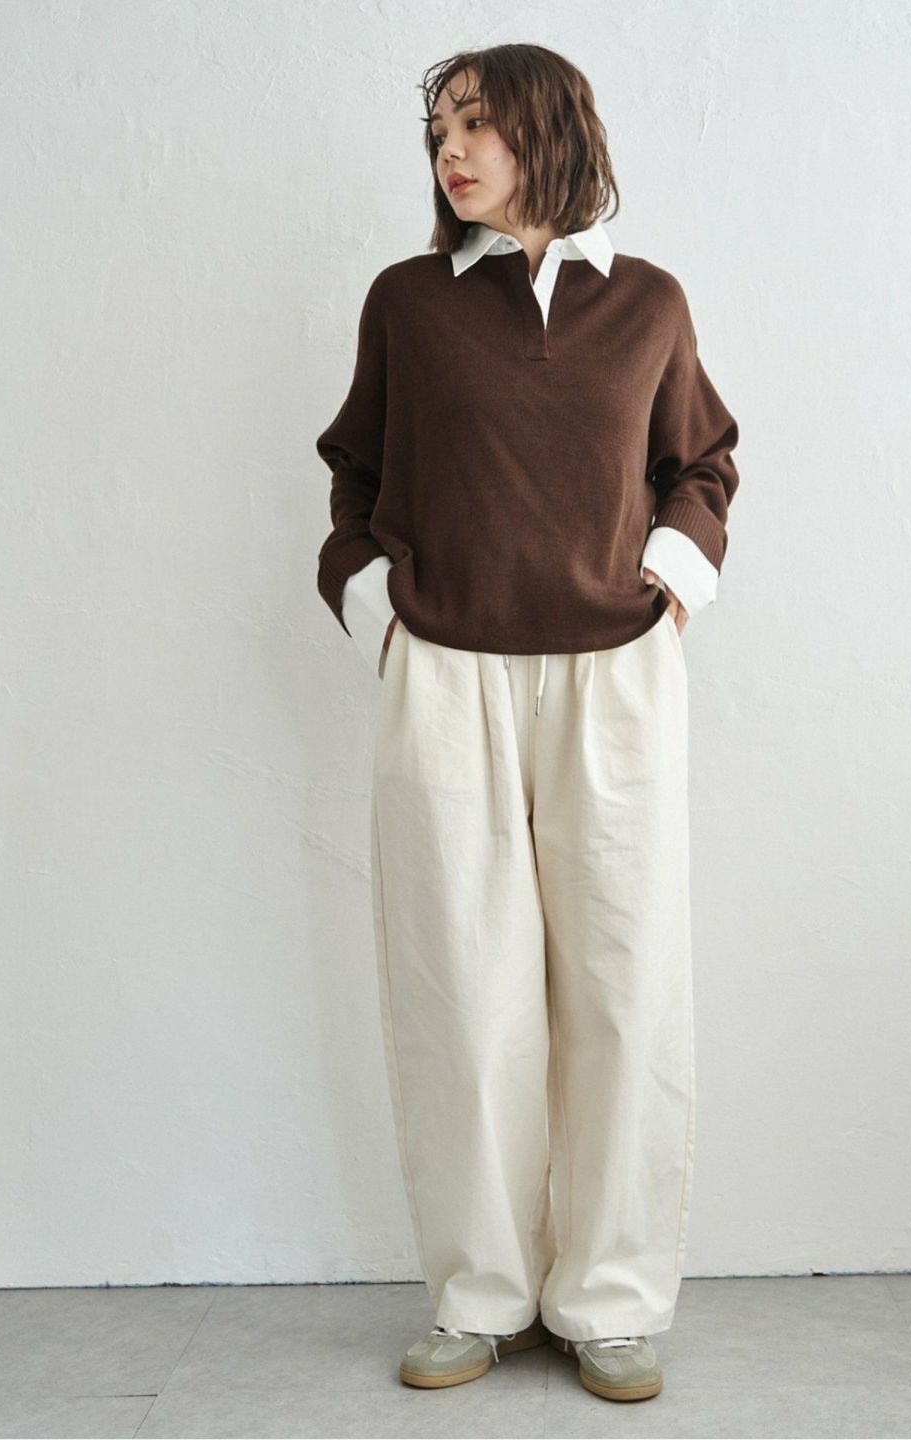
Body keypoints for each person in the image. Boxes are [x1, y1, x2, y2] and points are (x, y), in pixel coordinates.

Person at [315, 43, 740, 1404]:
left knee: (623, 985)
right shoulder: (410, 303)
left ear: (546, 132)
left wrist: (666, 590)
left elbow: (702, 464)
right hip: (446, 676)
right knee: (462, 991)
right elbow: (353, 474)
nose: (451, 150)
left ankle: (610, 1300)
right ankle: (479, 1294)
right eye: (440, 130)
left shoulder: (647, 303)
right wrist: (381, 607)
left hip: (615, 678)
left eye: (478, 124)